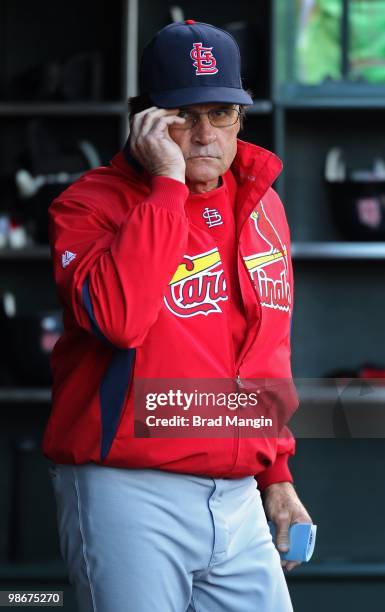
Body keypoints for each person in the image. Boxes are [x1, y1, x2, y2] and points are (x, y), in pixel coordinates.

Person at [44, 20, 312, 612]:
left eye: (221, 113)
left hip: (238, 492)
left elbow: (263, 349)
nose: (203, 133)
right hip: (129, 490)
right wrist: (165, 186)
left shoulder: (260, 202)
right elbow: (118, 319)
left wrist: (277, 475)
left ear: (241, 118)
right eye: (183, 115)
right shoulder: (89, 204)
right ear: (147, 120)